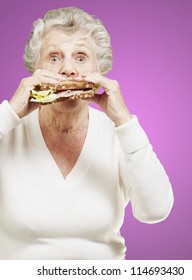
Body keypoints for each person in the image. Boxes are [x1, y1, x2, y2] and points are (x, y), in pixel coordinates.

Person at [0, 7, 174, 260]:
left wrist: (124, 120)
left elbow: (155, 211)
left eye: (81, 57)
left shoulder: (118, 134)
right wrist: (10, 112)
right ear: (34, 70)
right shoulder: (8, 130)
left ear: (99, 70)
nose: (68, 69)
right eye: (54, 57)